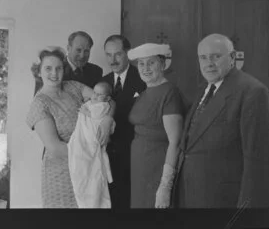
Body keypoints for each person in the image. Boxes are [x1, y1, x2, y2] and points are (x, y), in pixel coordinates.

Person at [175, 33, 269, 208]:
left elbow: (256, 160)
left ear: (232, 57)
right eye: (203, 57)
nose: (208, 63)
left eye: (216, 56)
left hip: (222, 201)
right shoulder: (204, 87)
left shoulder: (252, 92)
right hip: (190, 193)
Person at [26, 47, 113, 208]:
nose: (54, 73)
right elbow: (55, 148)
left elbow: (106, 100)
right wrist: (92, 151)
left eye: (59, 68)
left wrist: (108, 119)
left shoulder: (73, 86)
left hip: (87, 170)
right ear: (38, 72)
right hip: (61, 175)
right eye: (48, 68)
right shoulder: (39, 104)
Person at [128, 43, 186, 208]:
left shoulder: (169, 92)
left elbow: (175, 141)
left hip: (158, 167)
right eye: (141, 63)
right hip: (140, 168)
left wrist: (165, 186)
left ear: (162, 64)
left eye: (151, 62)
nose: (145, 68)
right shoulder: (144, 92)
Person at [102, 35, 146, 208]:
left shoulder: (143, 78)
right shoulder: (102, 82)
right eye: (108, 55)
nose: (112, 60)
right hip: (106, 158)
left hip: (133, 155)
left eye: (118, 54)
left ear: (128, 53)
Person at [68, 82, 115, 208]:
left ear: (107, 98)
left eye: (100, 95)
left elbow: (96, 116)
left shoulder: (103, 105)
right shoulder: (91, 102)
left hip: (91, 138)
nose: (95, 96)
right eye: (94, 92)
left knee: (92, 174)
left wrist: (85, 111)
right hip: (82, 135)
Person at [34, 31, 103, 94]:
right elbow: (39, 101)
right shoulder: (51, 71)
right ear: (68, 48)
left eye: (86, 51)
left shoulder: (96, 71)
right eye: (78, 50)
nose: (82, 56)